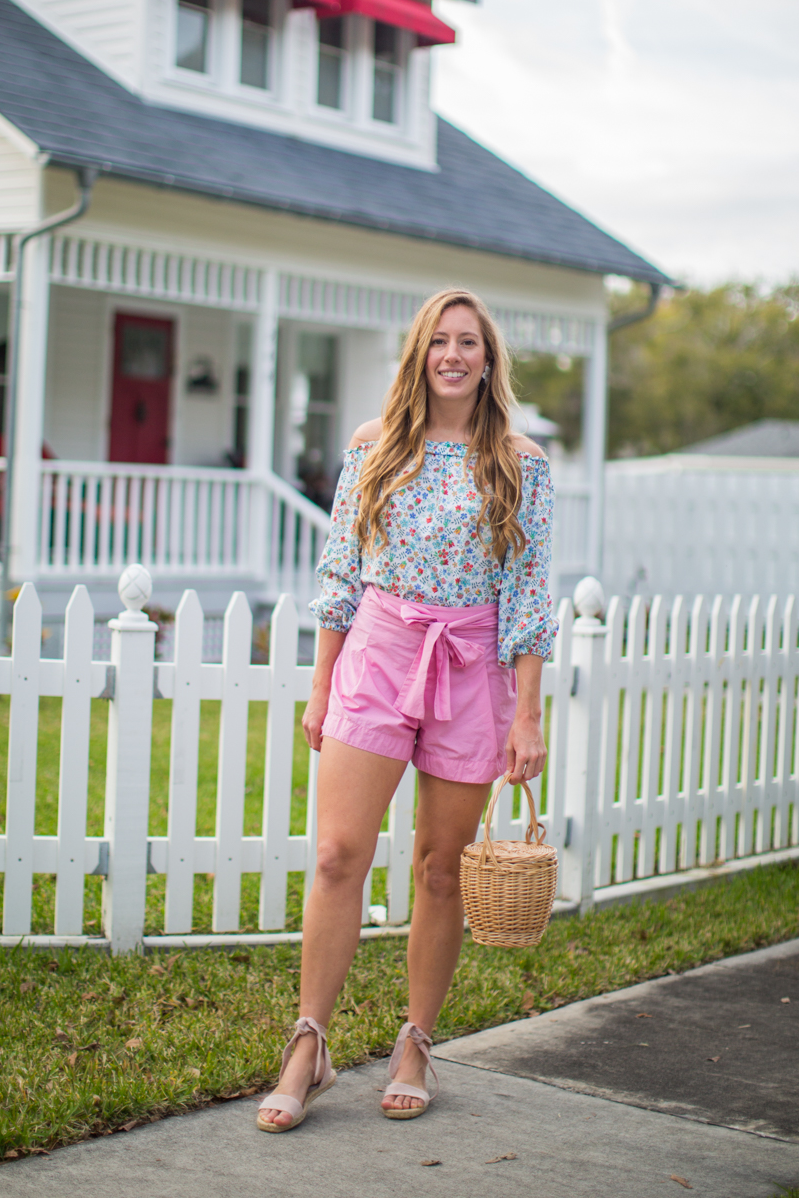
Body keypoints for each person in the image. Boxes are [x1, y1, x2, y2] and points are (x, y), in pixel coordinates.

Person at [257, 288, 555, 1132]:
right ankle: (308, 1045)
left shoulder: (520, 462)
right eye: (439, 341)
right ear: (419, 353)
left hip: (473, 667)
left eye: (469, 342)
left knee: (438, 868)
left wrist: (526, 715)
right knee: (338, 852)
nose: (453, 355)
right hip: (380, 651)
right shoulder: (376, 446)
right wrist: (322, 684)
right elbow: (340, 572)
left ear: (488, 360)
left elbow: (529, 598)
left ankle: (416, 1041)